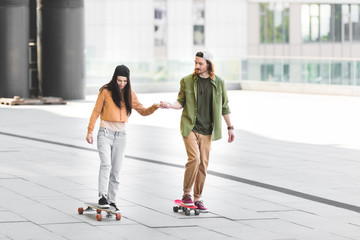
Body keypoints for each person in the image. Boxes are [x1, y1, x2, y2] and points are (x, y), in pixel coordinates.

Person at [160, 51, 235, 211]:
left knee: (203, 165)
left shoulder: (219, 82)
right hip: (190, 126)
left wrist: (230, 127)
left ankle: (198, 198)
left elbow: (224, 106)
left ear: (208, 64)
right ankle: (186, 194)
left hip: (208, 130)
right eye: (195, 63)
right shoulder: (186, 81)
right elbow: (180, 101)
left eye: (200, 63)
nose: (197, 66)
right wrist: (170, 105)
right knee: (194, 159)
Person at [86, 65, 159, 211]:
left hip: (121, 136)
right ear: (115, 78)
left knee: (116, 171)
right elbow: (96, 111)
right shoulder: (105, 91)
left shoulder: (130, 94)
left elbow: (143, 111)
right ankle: (102, 196)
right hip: (105, 133)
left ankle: (112, 200)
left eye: (125, 81)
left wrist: (155, 106)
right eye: (119, 80)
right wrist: (90, 130)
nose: (122, 84)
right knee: (106, 165)